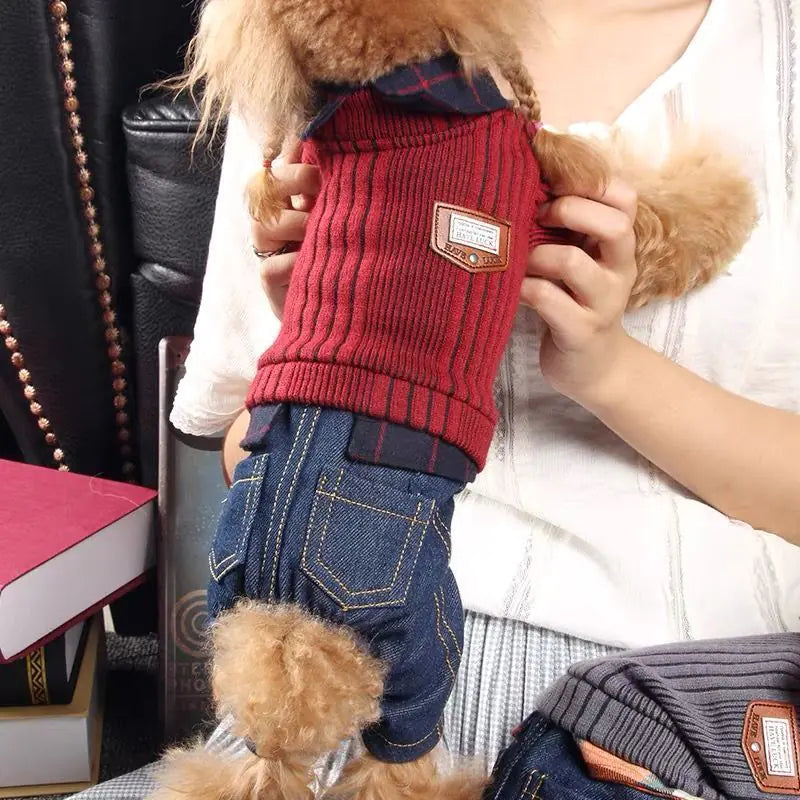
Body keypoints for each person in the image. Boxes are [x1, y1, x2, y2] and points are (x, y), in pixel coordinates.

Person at [70, 0, 800, 797]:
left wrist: (608, 370)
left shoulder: (775, 50)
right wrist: (328, 331)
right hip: (320, 671)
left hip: (670, 708)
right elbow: (246, 448)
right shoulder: (312, 38)